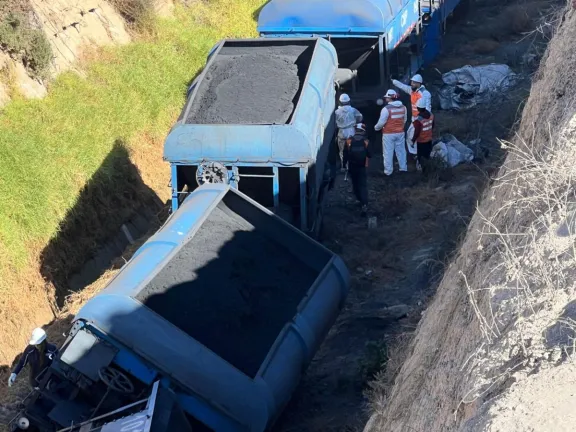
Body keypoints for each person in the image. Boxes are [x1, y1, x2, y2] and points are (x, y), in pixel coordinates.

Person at [392, 74, 432, 159]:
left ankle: (417, 155)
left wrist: (420, 120)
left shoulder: (425, 94)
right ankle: (415, 154)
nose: (411, 84)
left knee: (415, 137)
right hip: (414, 119)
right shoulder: (412, 90)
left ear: (419, 83)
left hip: (419, 120)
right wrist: (393, 81)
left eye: (413, 82)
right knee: (410, 136)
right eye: (411, 82)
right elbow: (402, 86)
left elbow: (428, 108)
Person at [374, 89, 407, 176]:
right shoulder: (404, 107)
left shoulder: (386, 109)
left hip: (388, 134)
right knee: (401, 151)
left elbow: (381, 123)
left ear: (390, 98)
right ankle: (403, 168)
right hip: (400, 133)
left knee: (388, 152)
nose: (385, 99)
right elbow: (404, 120)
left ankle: (388, 172)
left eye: (387, 97)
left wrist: (376, 128)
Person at [343, 123, 371, 216]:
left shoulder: (349, 141)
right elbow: (370, 155)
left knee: (355, 185)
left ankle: (359, 200)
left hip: (352, 166)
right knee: (363, 185)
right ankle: (364, 204)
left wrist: (344, 165)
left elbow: (345, 155)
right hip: (362, 167)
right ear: (363, 131)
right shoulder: (366, 141)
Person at [335, 93, 363, 169]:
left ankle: (344, 166)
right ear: (349, 101)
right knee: (352, 149)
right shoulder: (353, 110)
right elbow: (360, 118)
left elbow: (334, 122)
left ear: (340, 101)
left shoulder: (336, 112)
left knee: (342, 151)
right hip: (351, 131)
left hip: (341, 132)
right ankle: (352, 166)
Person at [411, 98, 435, 172]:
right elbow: (432, 125)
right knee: (427, 155)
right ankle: (430, 168)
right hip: (429, 139)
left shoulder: (419, 120)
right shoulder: (431, 115)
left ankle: (422, 171)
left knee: (421, 156)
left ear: (418, 108)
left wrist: (413, 140)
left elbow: (417, 132)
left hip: (421, 141)